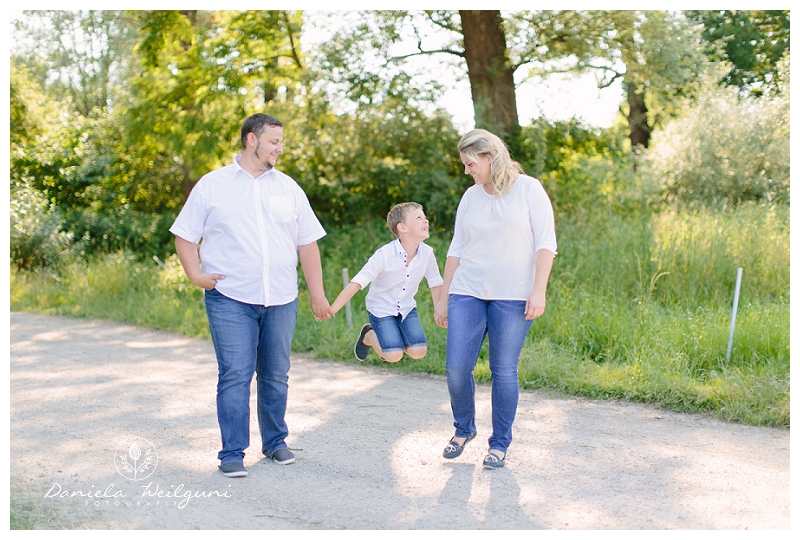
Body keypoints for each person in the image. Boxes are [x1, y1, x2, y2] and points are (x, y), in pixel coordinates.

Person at [170, 113, 332, 478]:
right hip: (230, 296)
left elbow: (307, 245)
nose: (280, 147)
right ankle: (231, 453)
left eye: (281, 141)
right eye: (274, 140)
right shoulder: (213, 185)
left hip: (281, 298)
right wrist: (196, 275)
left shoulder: (288, 188)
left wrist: (317, 294)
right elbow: (184, 236)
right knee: (235, 374)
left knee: (276, 374)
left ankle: (275, 442)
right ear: (251, 140)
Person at [433, 129, 557, 469]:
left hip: (513, 295)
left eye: (471, 164)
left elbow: (546, 243)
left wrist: (539, 289)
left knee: (503, 370)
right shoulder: (471, 196)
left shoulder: (528, 189)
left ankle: (499, 444)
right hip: (467, 290)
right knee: (457, 368)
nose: (467, 171)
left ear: (491, 157)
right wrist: (443, 296)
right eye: (465, 165)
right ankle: (463, 429)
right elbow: (456, 248)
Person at [330, 202, 443, 363]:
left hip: (406, 307)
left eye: (425, 217)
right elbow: (358, 282)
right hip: (381, 308)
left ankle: (393, 338)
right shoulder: (385, 254)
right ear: (402, 228)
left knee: (418, 351)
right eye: (419, 218)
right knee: (393, 356)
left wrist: (440, 311)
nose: (426, 221)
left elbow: (435, 283)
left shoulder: (427, 253)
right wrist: (333, 309)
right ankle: (368, 335)